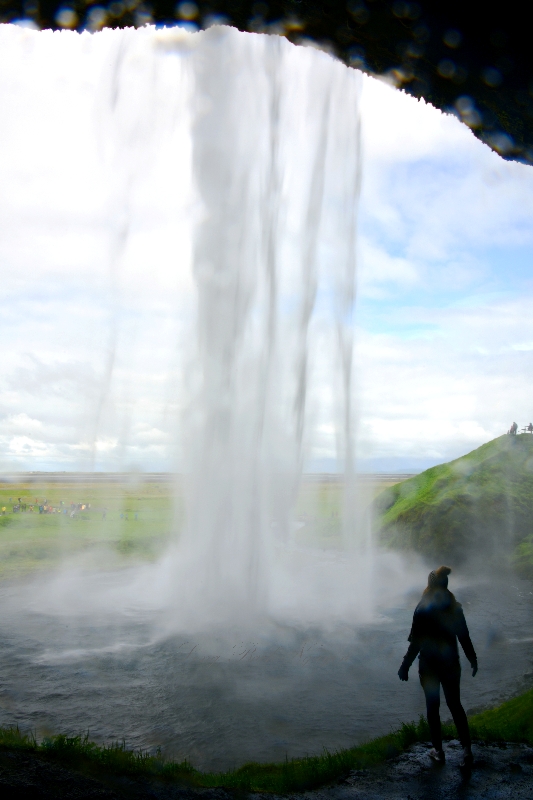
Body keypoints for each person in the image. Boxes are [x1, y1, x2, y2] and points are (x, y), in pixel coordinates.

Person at [398, 566, 477, 768]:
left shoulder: (422, 608)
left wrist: (405, 665)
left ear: (429, 584)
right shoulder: (454, 607)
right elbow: (464, 637)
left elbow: (416, 642)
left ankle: (438, 751)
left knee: (433, 708)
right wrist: (472, 658)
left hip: (429, 666)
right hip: (451, 664)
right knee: (455, 705)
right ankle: (467, 750)